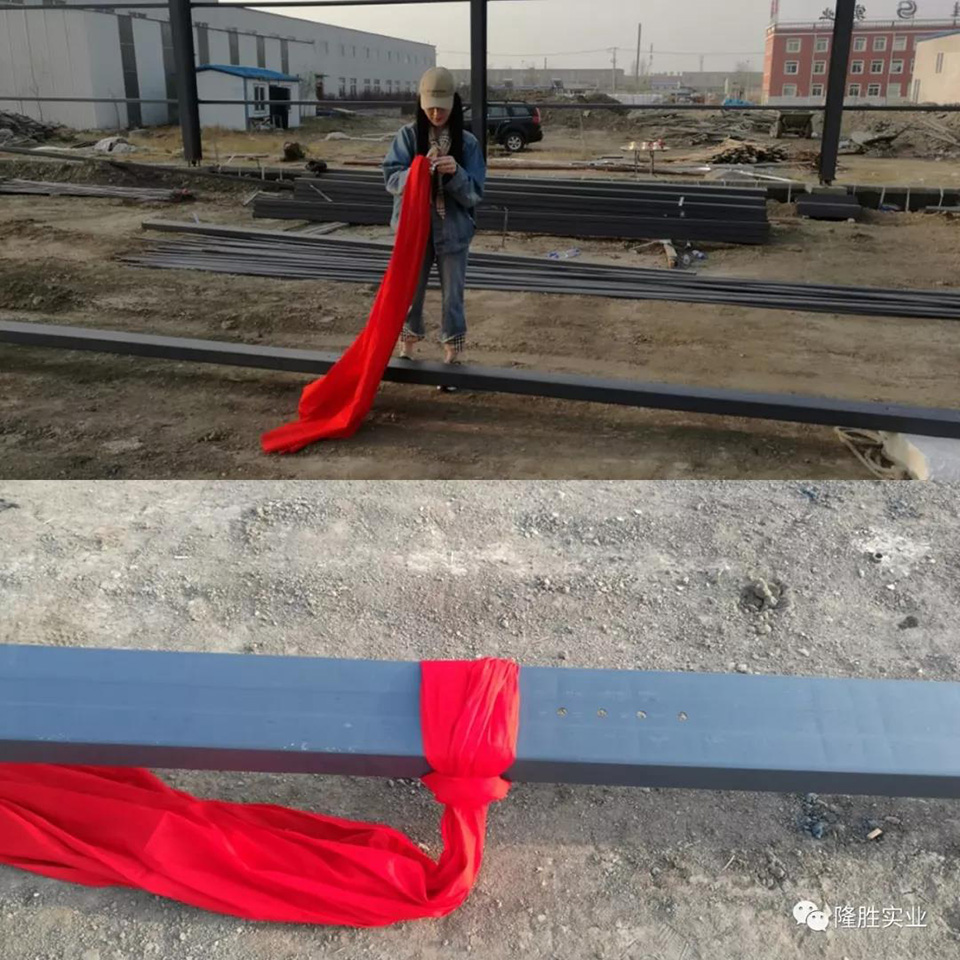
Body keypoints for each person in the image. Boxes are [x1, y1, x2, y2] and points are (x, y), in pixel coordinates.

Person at [382, 66, 486, 369]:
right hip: (414, 230)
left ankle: (452, 352)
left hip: (453, 230)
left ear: (454, 104)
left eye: (442, 107)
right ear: (421, 104)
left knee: (453, 295)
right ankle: (407, 345)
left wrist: (456, 174)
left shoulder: (468, 144)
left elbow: (474, 194)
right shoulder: (407, 136)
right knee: (411, 291)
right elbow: (391, 179)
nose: (436, 114)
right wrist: (418, 171)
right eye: (430, 108)